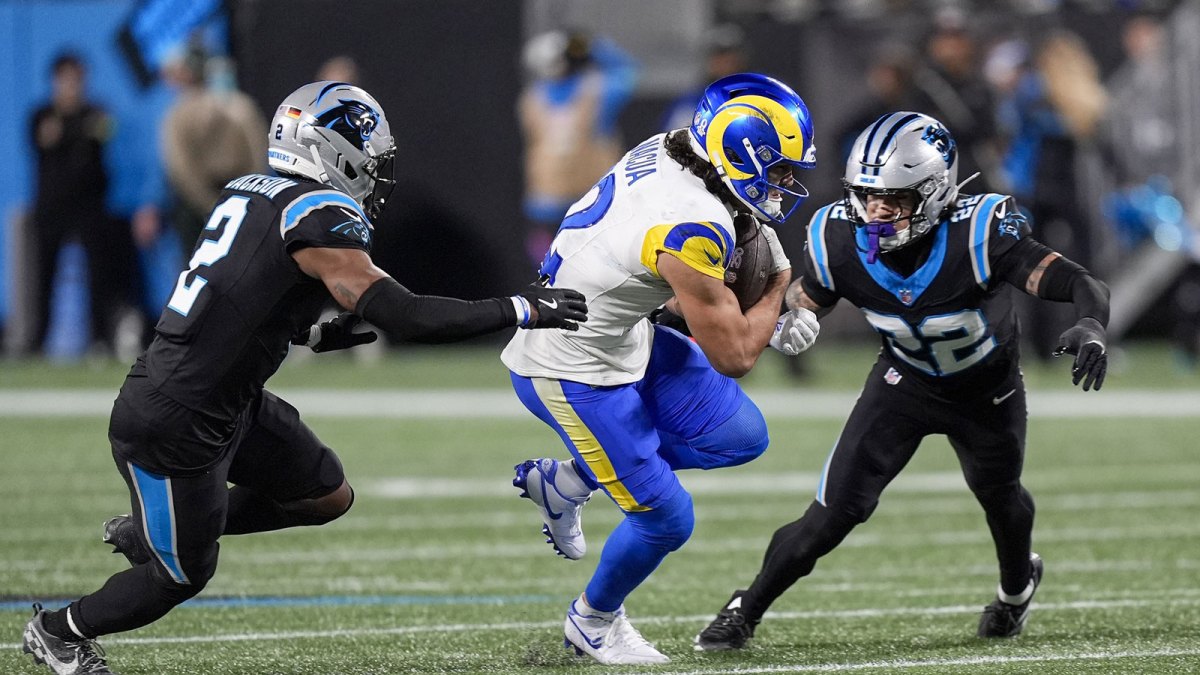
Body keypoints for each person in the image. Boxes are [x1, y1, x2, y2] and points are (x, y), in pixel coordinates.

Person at [19, 81, 588, 675]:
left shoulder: (251, 190)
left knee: (324, 494)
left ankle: (156, 526)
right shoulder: (320, 215)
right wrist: (520, 309)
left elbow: (234, 298)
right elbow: (406, 315)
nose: (377, 171)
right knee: (182, 573)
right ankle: (58, 631)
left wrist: (309, 335)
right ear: (334, 149)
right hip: (176, 414)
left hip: (225, 398)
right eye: (371, 155)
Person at [693, 111, 1110, 652]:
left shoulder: (980, 232)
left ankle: (1015, 590)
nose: (875, 211)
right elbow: (811, 295)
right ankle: (745, 609)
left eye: (893, 200)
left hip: (987, 392)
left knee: (999, 496)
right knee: (831, 514)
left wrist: (1091, 323)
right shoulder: (836, 238)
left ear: (936, 193)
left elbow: (1078, 281)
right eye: (867, 196)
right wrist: (781, 317)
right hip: (904, 384)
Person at [501, 73, 821, 665]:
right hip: (572, 367)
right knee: (666, 518)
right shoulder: (691, 223)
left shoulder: (677, 147)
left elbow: (663, 287)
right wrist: (777, 288)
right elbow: (736, 356)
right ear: (740, 153)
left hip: (622, 333)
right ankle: (593, 622)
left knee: (738, 435)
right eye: (778, 169)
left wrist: (756, 312)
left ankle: (568, 481)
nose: (785, 184)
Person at [26, 52, 140, 358]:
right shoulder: (41, 114)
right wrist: (75, 128)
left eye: (77, 78)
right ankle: (36, 342)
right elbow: (45, 138)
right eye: (66, 79)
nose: (72, 85)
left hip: (89, 208)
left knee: (98, 277)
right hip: (51, 209)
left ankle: (98, 340)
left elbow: (105, 131)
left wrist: (76, 129)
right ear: (55, 81)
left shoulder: (96, 111)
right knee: (44, 277)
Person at [518, 29, 638, 264]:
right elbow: (628, 71)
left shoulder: (531, 97)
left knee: (550, 269)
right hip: (590, 201)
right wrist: (593, 48)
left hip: (547, 200)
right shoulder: (598, 91)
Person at [161, 42, 269, 256]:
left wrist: (214, 204)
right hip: (218, 201)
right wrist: (213, 203)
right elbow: (182, 169)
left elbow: (257, 150)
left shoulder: (237, 107)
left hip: (228, 196)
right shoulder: (182, 114)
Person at [660, 24, 747, 132]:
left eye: (730, 55)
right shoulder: (690, 102)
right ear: (708, 61)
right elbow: (673, 142)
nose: (725, 62)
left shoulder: (760, 91)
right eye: (719, 55)